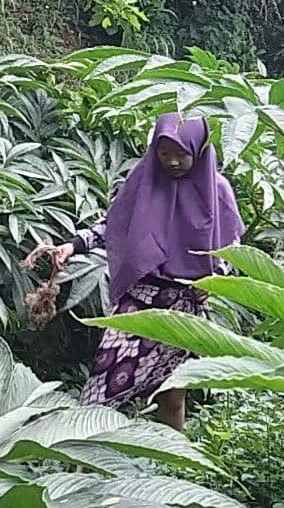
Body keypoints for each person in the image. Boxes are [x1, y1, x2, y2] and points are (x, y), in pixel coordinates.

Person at [24, 113, 244, 430]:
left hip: (185, 305)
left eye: (181, 152)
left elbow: (231, 247)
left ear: (198, 150)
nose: (172, 161)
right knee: (103, 380)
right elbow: (111, 225)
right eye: (164, 151)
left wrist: (215, 280)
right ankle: (79, 454)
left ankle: (169, 463)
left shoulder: (217, 190)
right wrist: (72, 246)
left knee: (171, 395)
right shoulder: (144, 180)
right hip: (139, 297)